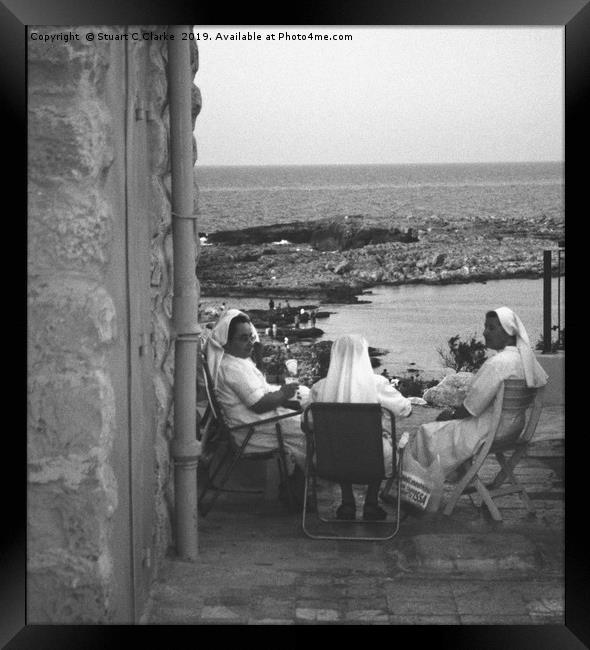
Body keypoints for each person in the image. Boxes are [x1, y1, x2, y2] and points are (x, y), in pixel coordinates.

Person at [411, 306, 548, 481]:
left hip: (490, 432)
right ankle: (457, 472)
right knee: (445, 425)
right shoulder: (528, 362)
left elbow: (471, 408)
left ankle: (422, 485)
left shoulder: (497, 364)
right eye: (486, 327)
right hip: (513, 430)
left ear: (508, 332)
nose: (485, 333)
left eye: (491, 328)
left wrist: (451, 415)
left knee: (427, 431)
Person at [301, 334, 412, 521]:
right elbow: (403, 409)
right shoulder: (377, 384)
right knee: (379, 444)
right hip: (373, 459)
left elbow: (308, 424)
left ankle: (347, 502)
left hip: (329, 459)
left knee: (339, 441)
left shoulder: (320, 388)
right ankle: (371, 502)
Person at [204, 309, 307, 481]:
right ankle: (304, 480)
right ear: (226, 342)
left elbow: (258, 389)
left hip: (258, 422)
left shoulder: (238, 361)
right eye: (244, 339)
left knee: (309, 411)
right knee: (310, 427)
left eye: (251, 337)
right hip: (252, 430)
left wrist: (258, 357)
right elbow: (259, 405)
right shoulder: (231, 368)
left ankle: (300, 478)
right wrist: (284, 394)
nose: (251, 343)